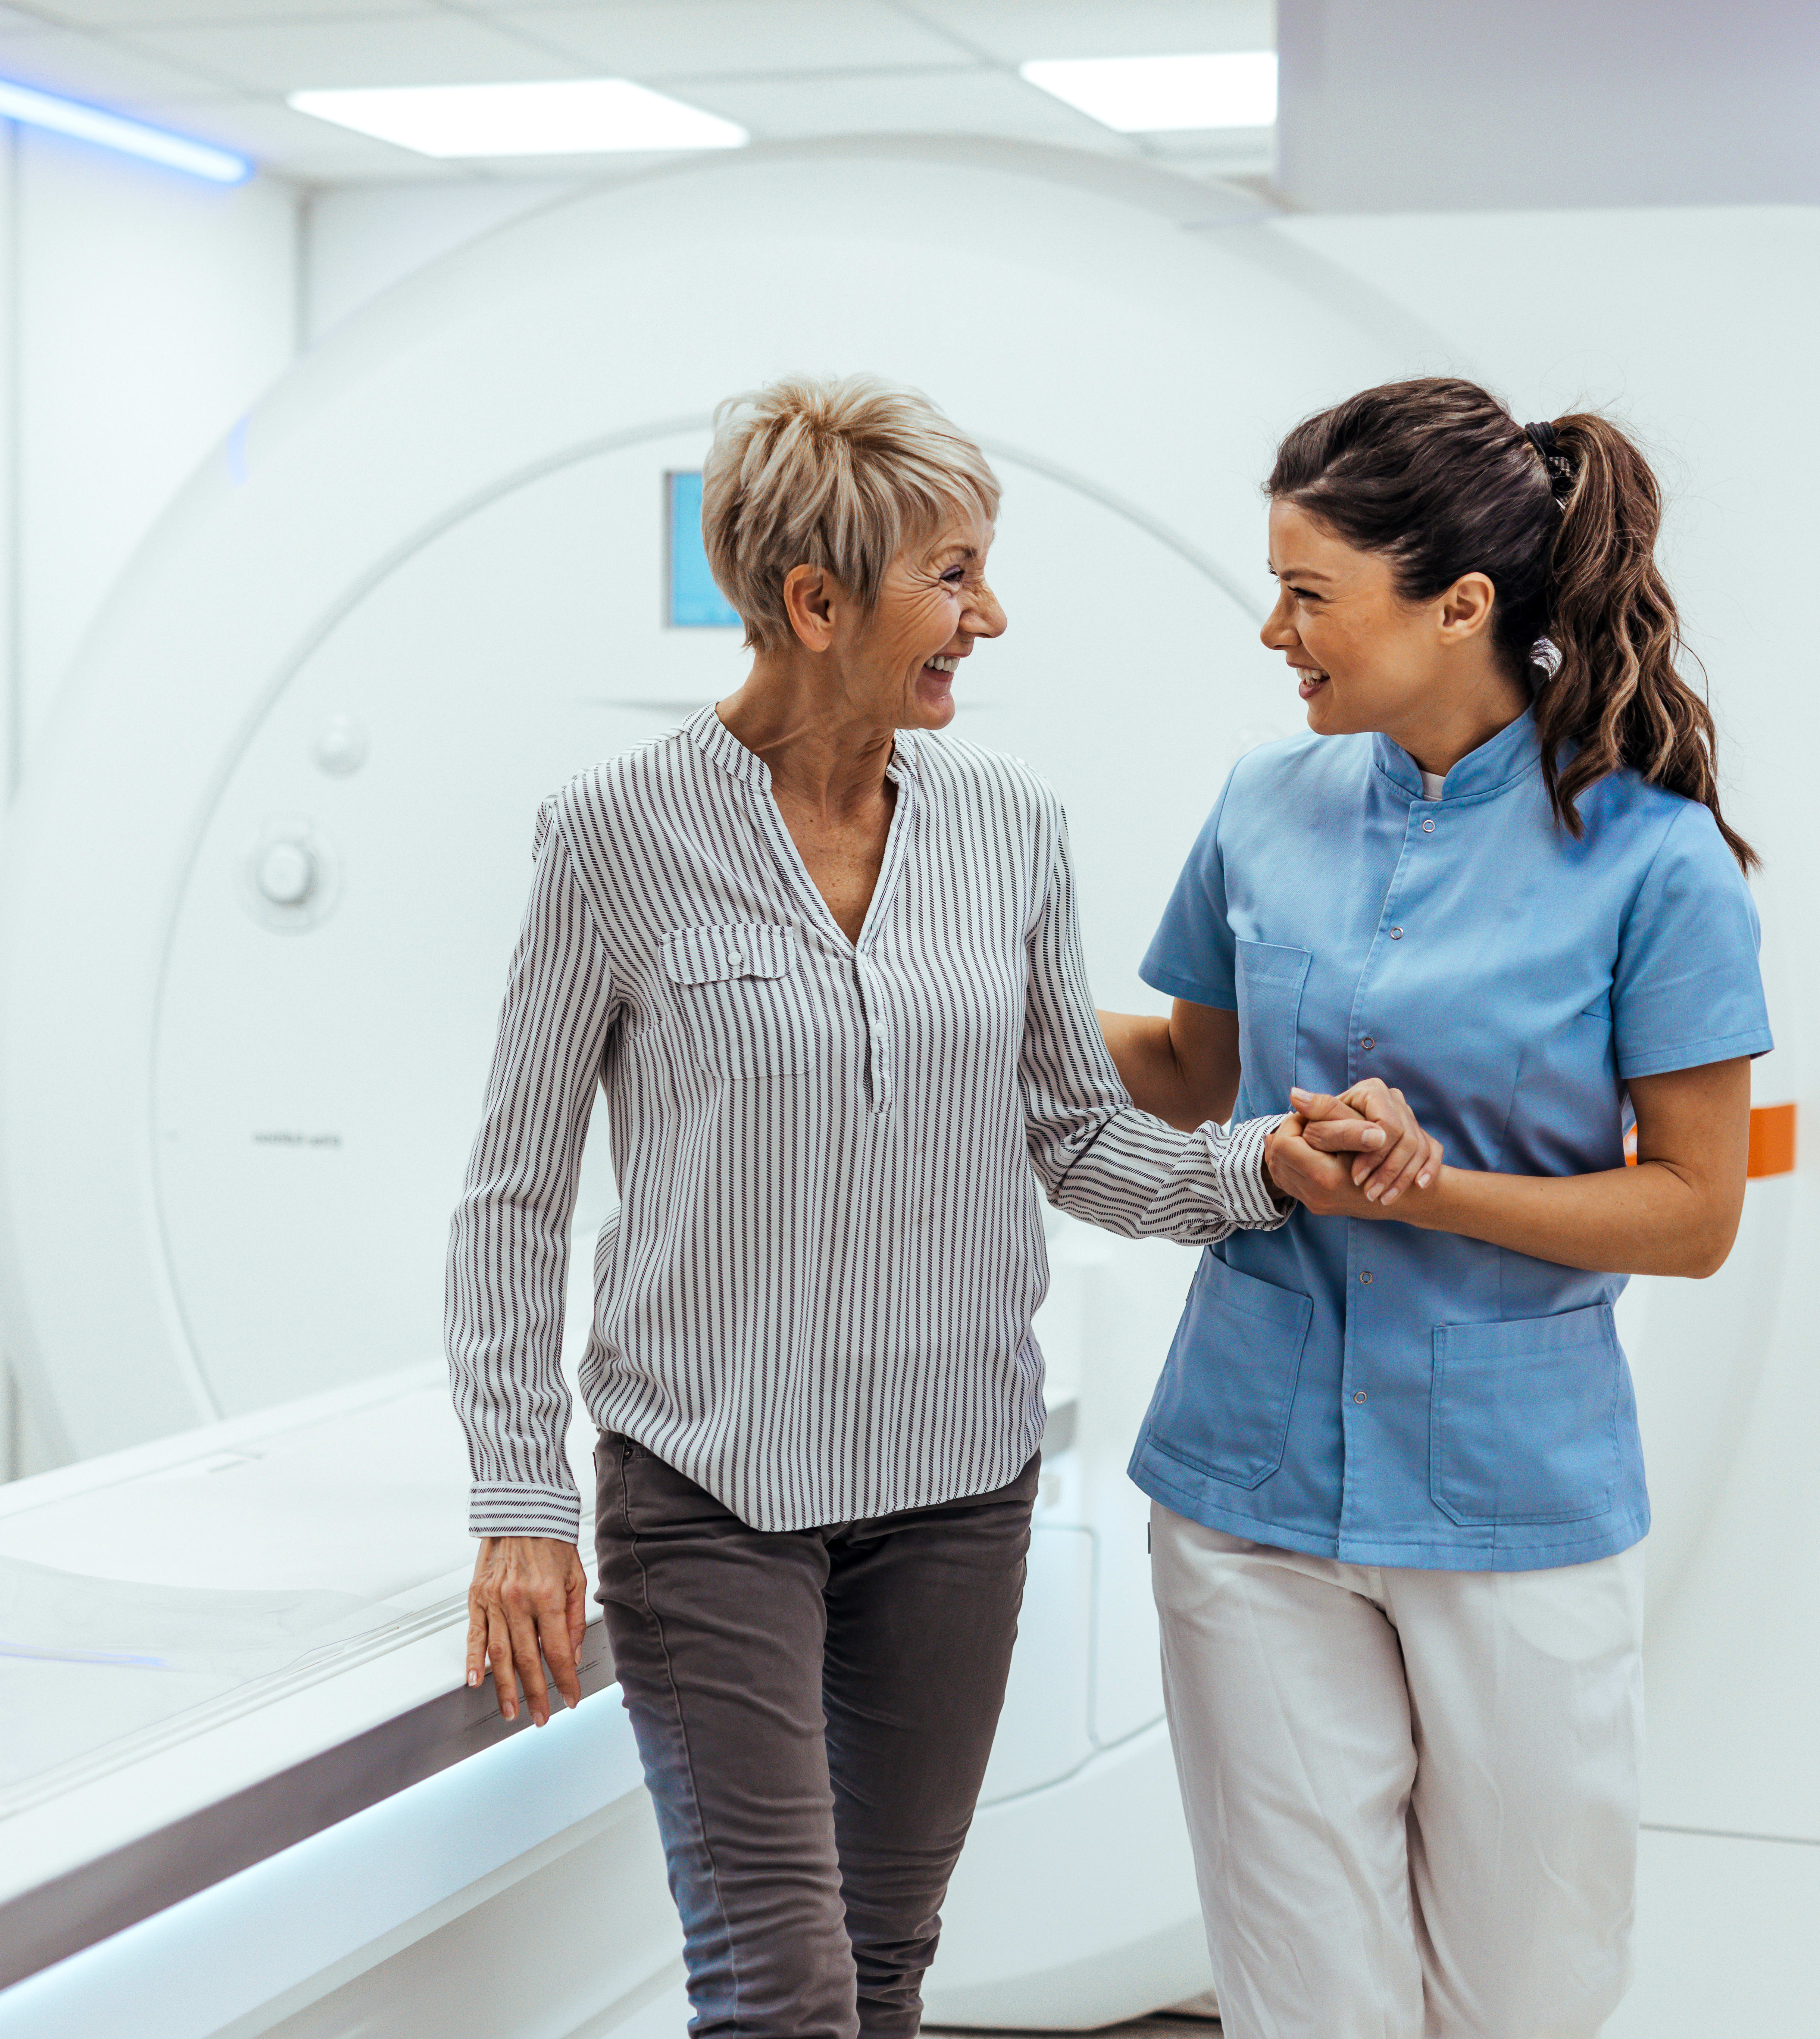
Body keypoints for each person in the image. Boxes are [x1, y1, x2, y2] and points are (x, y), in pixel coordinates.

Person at [443, 373, 1423, 2039]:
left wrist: (1256, 1166)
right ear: (815, 602)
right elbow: (511, 1195)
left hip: (951, 1489)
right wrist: (516, 1497)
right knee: (783, 1989)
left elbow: (1071, 1137)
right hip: (709, 1491)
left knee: (885, 1964)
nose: (989, 613)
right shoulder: (612, 838)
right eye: (951, 575)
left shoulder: (1008, 829)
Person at [1100, 377, 1770, 2039]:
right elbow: (1194, 1072)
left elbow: (1693, 1210)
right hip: (1246, 1489)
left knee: (1524, 1999)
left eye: (1308, 592)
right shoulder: (1264, 804)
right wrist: (943, 990)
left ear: (1458, 604)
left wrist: (1433, 1184)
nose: (1273, 629)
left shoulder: (1650, 859)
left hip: (1508, 1503)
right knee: (1301, 2002)